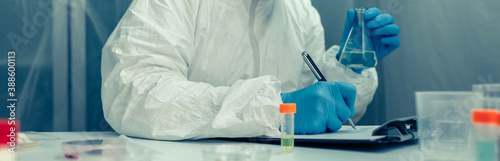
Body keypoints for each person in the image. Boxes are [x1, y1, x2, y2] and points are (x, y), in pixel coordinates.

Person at [101, 0, 400, 140]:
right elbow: (133, 90)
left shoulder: (302, 13)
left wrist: (350, 69)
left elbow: (318, 108)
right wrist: (277, 109)